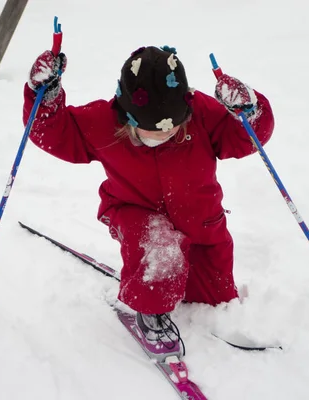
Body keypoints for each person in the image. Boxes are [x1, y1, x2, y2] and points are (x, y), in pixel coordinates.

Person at [23, 45, 275, 357]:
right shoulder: (103, 121)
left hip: (201, 220)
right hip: (134, 213)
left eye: (170, 131)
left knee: (212, 297)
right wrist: (44, 97)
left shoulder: (203, 114)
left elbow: (244, 137)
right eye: (146, 131)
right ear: (126, 113)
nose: (159, 137)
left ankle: (199, 299)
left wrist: (250, 113)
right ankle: (151, 313)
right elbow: (55, 132)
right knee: (160, 247)